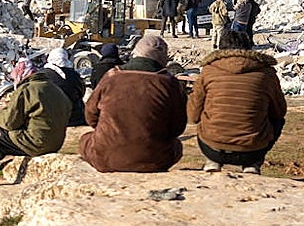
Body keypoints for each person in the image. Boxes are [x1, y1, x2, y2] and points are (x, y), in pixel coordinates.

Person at [78, 34, 187, 173]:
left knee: (85, 140)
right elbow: (177, 127)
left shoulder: (112, 76)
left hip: (105, 158)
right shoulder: (170, 83)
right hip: (155, 160)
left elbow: (91, 115)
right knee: (176, 146)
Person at [0, 59, 72, 189]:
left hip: (37, 144)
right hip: (55, 143)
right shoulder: (55, 89)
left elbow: (8, 123)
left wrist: (7, 107)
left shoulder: (27, 90)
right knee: (4, 137)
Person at [188, 28, 287, 174]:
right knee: (278, 121)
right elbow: (279, 111)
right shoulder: (266, 72)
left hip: (212, 147)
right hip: (253, 149)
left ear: (220, 47)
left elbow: (192, 116)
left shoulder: (208, 71)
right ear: (249, 47)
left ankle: (213, 162)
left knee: (203, 113)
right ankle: (253, 164)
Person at [42, 47, 86, 126]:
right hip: (74, 117)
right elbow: (82, 91)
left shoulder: (42, 74)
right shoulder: (73, 75)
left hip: (49, 118)